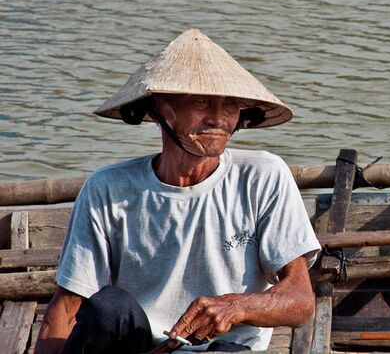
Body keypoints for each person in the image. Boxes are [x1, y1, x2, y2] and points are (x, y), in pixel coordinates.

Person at [35, 29, 320, 354]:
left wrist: (237, 307)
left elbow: (300, 301)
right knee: (108, 306)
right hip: (141, 346)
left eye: (231, 105)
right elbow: (66, 308)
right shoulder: (108, 188)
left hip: (225, 347)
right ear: (159, 108)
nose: (217, 118)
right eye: (200, 101)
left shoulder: (262, 176)